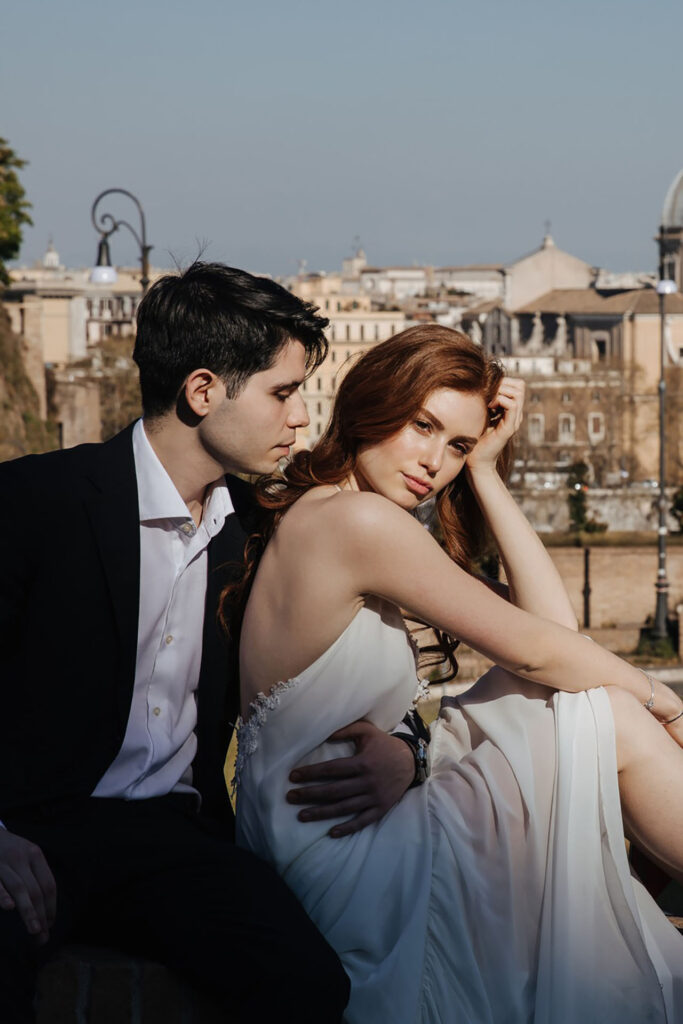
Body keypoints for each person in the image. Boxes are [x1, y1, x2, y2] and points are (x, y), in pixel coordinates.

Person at [0, 262, 420, 1023]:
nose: (301, 419)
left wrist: (406, 749)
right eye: (283, 393)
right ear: (202, 392)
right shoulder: (37, 502)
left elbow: (368, 665)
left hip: (176, 842)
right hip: (32, 832)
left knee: (308, 986)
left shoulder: (266, 530)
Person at [231, 324, 683, 1023]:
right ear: (370, 402)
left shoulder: (333, 515)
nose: (433, 462)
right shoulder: (357, 525)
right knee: (612, 714)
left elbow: (550, 635)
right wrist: (667, 702)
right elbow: (542, 651)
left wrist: (486, 472)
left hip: (341, 836)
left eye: (457, 446)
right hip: (356, 867)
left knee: (586, 704)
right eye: (422, 426)